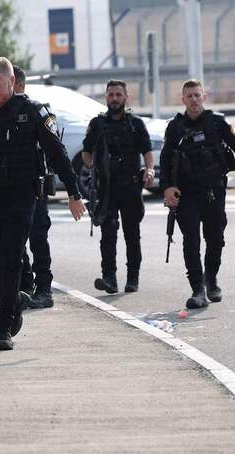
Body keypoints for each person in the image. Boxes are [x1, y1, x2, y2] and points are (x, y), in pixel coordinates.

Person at [0, 57, 86, 350]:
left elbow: (58, 153)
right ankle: (13, 295)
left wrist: (73, 193)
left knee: (10, 254)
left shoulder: (33, 112)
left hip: (22, 194)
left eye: (1, 86)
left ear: (13, 83)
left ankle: (3, 325)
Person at [161, 79, 235, 308]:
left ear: (204, 96)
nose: (193, 100)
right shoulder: (175, 127)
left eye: (197, 95)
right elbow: (165, 159)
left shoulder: (218, 123)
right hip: (186, 193)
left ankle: (210, 278)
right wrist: (167, 187)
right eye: (189, 96)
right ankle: (198, 290)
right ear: (183, 100)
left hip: (214, 190)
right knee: (190, 241)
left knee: (215, 239)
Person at [82, 80, 155, 294]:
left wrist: (149, 170)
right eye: (111, 94)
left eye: (118, 94)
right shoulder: (97, 124)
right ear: (106, 97)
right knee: (108, 234)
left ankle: (133, 278)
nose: (114, 98)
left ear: (125, 96)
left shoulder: (135, 124)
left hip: (131, 187)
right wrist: (94, 167)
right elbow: (86, 153)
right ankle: (109, 278)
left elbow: (147, 153)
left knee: (132, 234)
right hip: (106, 188)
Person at [13, 65, 56, 309]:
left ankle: (44, 289)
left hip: (34, 185)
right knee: (13, 240)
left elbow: (53, 148)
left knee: (38, 238)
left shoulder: (38, 110)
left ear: (18, 84)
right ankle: (25, 286)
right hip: (9, 187)